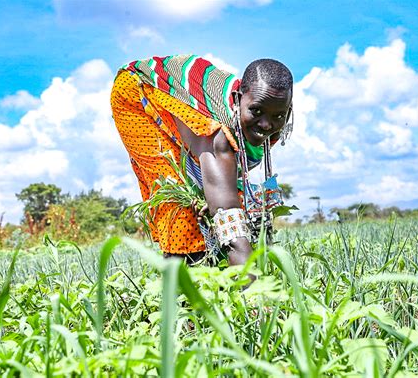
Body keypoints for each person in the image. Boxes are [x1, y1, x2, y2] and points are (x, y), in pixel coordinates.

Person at [110, 54, 293, 266]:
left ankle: (217, 274)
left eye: (278, 116)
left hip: (186, 110)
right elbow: (229, 220)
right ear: (238, 98)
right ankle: (183, 282)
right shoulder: (218, 134)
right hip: (137, 92)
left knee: (221, 199)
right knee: (178, 201)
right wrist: (254, 294)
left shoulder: (271, 111)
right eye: (256, 111)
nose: (266, 125)